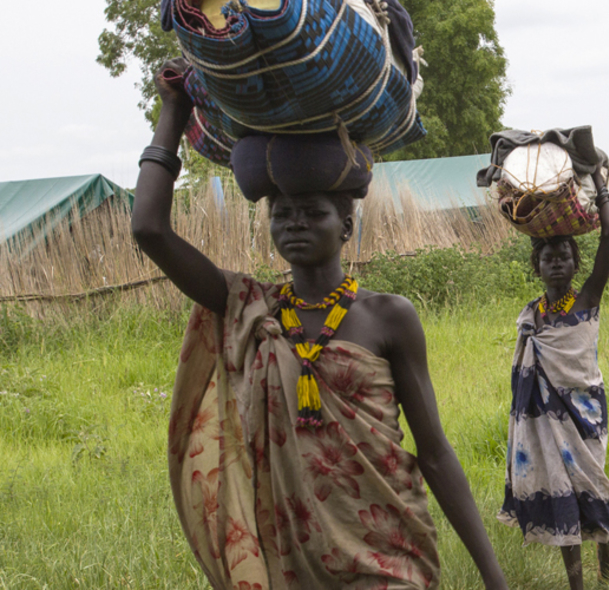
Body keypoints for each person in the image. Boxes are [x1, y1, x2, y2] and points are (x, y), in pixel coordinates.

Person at [132, 60, 507, 589]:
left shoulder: (388, 316)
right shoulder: (249, 308)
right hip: (290, 563)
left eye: (312, 211)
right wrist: (173, 112)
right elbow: (149, 229)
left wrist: (495, 577)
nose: (295, 222)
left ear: (347, 225)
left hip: (386, 555)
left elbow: (436, 452)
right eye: (281, 214)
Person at [498, 173, 609, 590]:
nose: (556, 262)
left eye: (564, 255)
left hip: (585, 414)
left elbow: (608, 236)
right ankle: (577, 585)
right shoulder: (531, 316)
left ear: (576, 263)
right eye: (547, 256)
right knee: (563, 495)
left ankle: (608, 555)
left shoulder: (587, 299)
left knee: (593, 485)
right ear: (536, 265)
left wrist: (601, 189)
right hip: (545, 422)